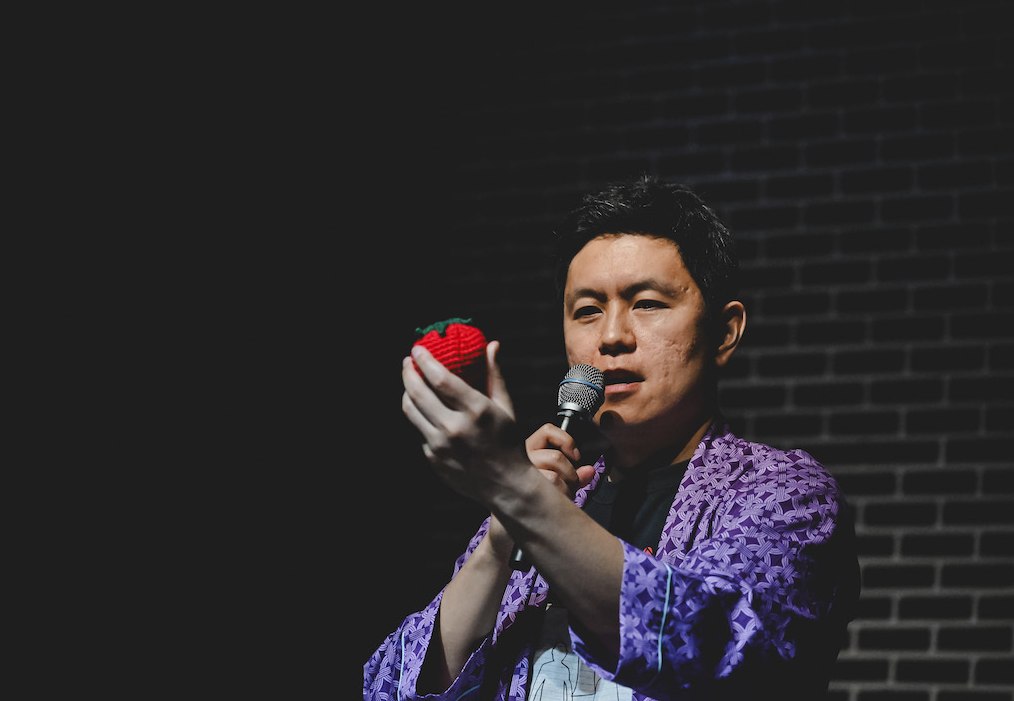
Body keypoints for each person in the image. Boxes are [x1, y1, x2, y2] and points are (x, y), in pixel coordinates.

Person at [365, 176, 859, 700]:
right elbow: (389, 687)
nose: (611, 336)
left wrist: (522, 497)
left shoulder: (786, 494)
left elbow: (713, 641)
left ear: (724, 332)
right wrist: (497, 541)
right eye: (587, 311)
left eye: (646, 303)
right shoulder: (551, 494)